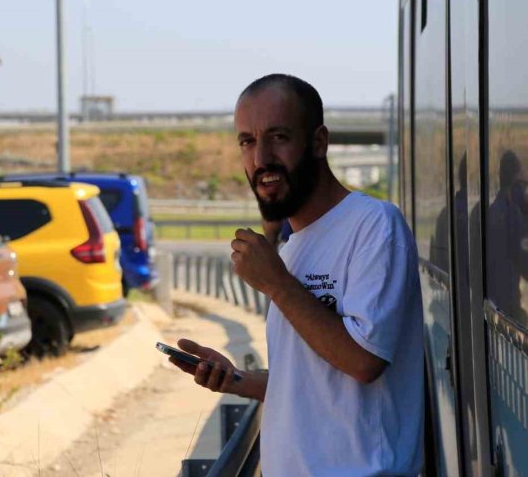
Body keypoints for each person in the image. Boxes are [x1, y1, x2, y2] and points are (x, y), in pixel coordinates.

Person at [168, 74, 425, 476]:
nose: (261, 158)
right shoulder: (294, 246)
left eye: (278, 137)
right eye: (247, 142)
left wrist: (276, 283)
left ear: (318, 142)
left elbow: (364, 361)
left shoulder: (374, 224)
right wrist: (235, 379)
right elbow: (313, 383)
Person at [486, 150, 528, 325]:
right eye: (522, 186)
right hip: (507, 317)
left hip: (490, 311)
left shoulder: (488, 213)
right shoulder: (513, 219)